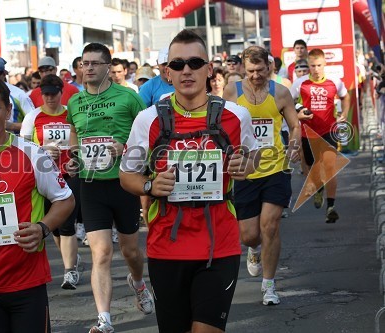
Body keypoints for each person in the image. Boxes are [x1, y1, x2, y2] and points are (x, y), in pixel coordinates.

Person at [120, 29, 259, 333]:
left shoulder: (236, 116)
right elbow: (126, 174)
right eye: (178, 64)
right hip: (166, 246)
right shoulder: (148, 119)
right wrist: (149, 186)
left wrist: (244, 165)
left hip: (218, 246)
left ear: (209, 70)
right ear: (167, 72)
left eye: (195, 63)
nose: (187, 70)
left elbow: (254, 159)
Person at [0, 73, 75, 333]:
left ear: (8, 111)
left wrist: (42, 228)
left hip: (27, 284)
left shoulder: (32, 154)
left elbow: (65, 200)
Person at [66, 42, 154, 333]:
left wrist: (125, 148)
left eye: (94, 63)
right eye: (84, 63)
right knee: (100, 252)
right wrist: (73, 156)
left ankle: (138, 283)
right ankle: (104, 319)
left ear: (107, 67)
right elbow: (75, 133)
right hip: (91, 185)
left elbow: (149, 132)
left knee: (130, 251)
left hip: (124, 183)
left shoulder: (128, 98)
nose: (87, 68)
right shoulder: (75, 102)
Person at [223, 45, 301, 306]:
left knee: (271, 224)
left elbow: (294, 125)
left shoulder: (280, 92)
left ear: (269, 67)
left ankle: (269, 286)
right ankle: (253, 250)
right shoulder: (232, 92)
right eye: (251, 71)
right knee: (249, 235)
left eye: (260, 70)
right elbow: (223, 127)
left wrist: (295, 143)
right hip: (245, 170)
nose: (256, 75)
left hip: (275, 167)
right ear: (244, 69)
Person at [20, 74, 82, 290]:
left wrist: (76, 161)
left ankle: (70, 272)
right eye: (44, 94)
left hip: (68, 175)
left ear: (61, 93)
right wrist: (43, 151)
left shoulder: (70, 114)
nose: (48, 98)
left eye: (53, 94)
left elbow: (81, 143)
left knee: (67, 225)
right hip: (44, 178)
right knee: (54, 228)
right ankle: (70, 258)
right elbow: (23, 148)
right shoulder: (33, 117)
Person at [290, 48, 350, 223]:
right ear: (308, 65)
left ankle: (331, 206)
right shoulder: (300, 83)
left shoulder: (334, 82)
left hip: (329, 130)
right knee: (313, 166)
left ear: (325, 64)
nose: (315, 69)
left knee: (330, 167)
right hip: (308, 133)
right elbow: (287, 101)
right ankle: (318, 189)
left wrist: (344, 113)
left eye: (319, 65)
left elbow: (345, 97)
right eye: (312, 66)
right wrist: (298, 111)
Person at [0, 57, 35, 132]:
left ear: (4, 74)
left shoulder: (18, 94)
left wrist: (12, 126)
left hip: (14, 142)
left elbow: (35, 122)